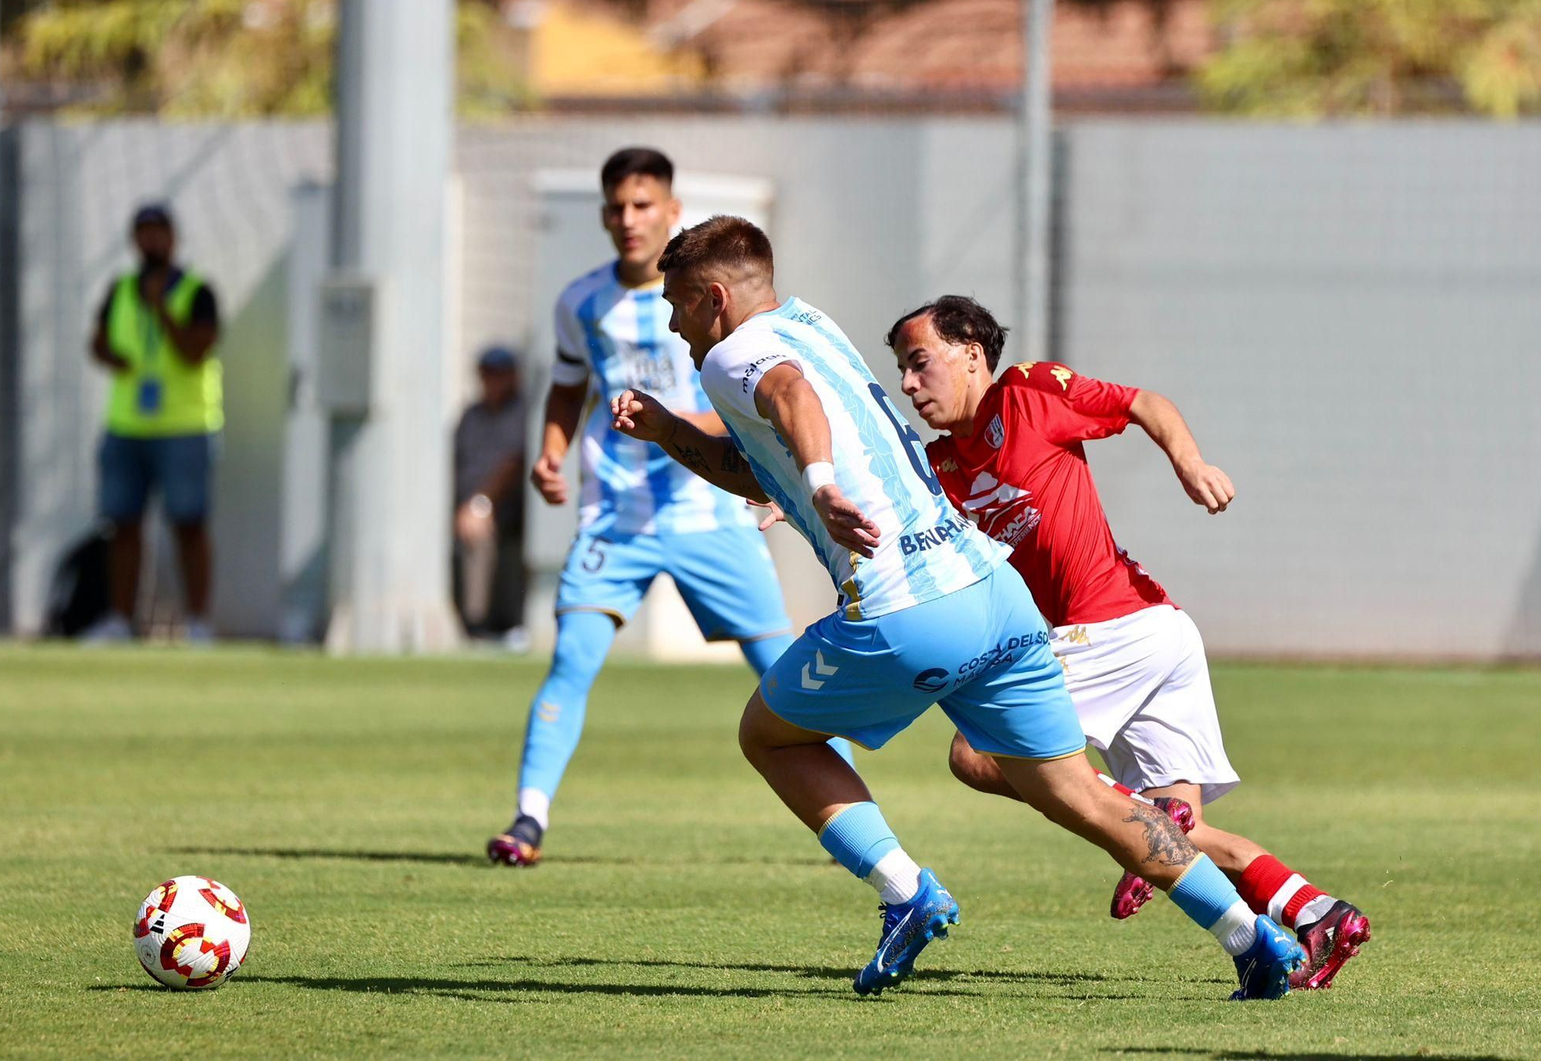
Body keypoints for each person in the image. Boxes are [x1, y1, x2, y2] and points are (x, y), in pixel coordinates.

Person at [611, 214, 1305, 1000]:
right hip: (996, 594)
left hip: (904, 606)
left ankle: (906, 892)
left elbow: (785, 393)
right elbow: (762, 454)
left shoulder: (734, 356)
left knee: (769, 737)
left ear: (714, 298)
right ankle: (1254, 939)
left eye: (675, 307)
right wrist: (673, 432)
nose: (672, 325)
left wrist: (819, 484)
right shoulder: (811, 324)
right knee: (1080, 792)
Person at [888, 294, 1371, 990]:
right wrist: (794, 492)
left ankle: (1146, 810)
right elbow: (882, 498)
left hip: (1112, 624)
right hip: (1156, 633)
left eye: (919, 362)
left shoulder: (1027, 393)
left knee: (975, 749)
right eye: (902, 369)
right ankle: (1319, 913)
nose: (909, 383)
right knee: (1172, 842)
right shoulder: (940, 467)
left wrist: (1190, 462)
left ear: (971, 352)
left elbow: (1146, 402)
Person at [486, 148, 853, 868]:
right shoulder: (580, 302)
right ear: (603, 215)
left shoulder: (712, 304)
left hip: (707, 512)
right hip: (615, 514)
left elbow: (759, 400)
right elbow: (566, 387)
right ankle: (528, 818)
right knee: (571, 659)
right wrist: (551, 449)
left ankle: (854, 809)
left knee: (784, 671)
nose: (629, 219)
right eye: (617, 207)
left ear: (671, 212)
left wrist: (767, 475)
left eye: (643, 205)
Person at [85, 203, 221, 644]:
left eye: (158, 232)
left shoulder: (197, 292)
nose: (151, 242)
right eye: (143, 233)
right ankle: (121, 620)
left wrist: (162, 309)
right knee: (123, 524)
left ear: (173, 238)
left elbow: (195, 350)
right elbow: (98, 342)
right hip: (127, 426)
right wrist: (113, 357)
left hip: (183, 426)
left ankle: (198, 622)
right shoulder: (121, 289)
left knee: (188, 523)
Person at [453, 346, 527, 640]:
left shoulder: (522, 413)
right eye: (487, 374)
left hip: (507, 508)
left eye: (499, 374)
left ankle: (479, 624)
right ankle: (471, 623)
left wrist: (480, 504)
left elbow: (515, 463)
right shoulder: (472, 415)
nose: (492, 381)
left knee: (478, 532)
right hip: (465, 506)